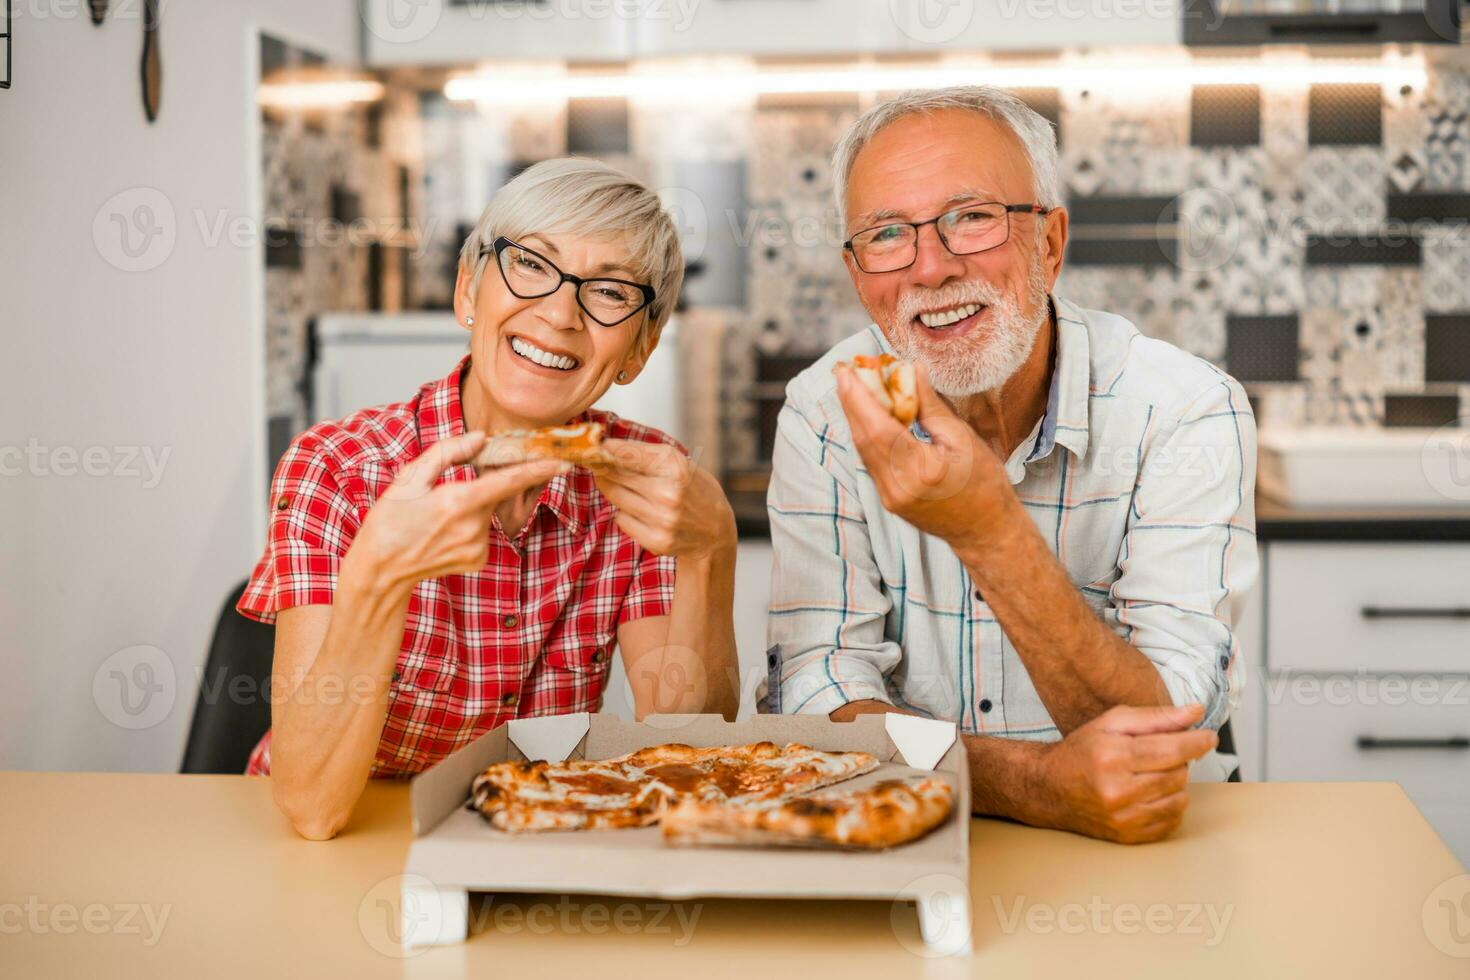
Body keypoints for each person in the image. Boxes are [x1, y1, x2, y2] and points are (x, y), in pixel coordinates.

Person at [765, 87, 1258, 844]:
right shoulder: (823, 414)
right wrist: (1032, 785)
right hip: (914, 841)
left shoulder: (1186, 410)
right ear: (858, 273)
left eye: (971, 218)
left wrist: (990, 531)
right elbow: (817, 708)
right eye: (887, 234)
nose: (929, 269)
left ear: (1050, 243)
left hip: (1150, 848)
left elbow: (1155, 736)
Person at [239, 159, 739, 840]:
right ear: (469, 288)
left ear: (640, 349)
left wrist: (711, 550)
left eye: (611, 292)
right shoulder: (339, 470)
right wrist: (379, 578)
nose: (560, 314)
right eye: (532, 264)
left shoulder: (647, 481)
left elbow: (688, 755)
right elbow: (312, 809)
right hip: (346, 839)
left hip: (526, 839)